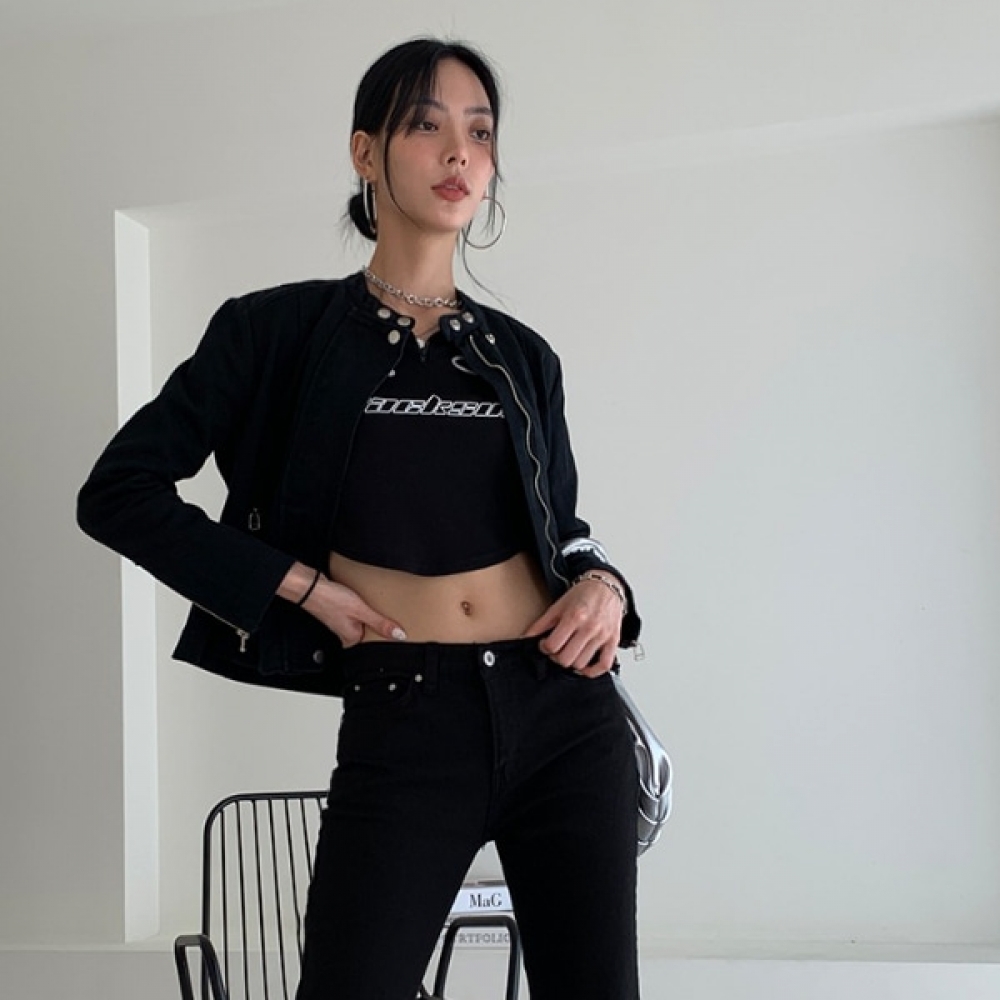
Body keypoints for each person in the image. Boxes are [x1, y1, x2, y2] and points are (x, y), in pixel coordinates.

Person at [78, 37, 643, 1000]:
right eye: (426, 125)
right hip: (407, 709)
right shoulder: (274, 332)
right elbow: (117, 493)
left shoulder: (521, 356)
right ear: (365, 152)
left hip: (565, 712)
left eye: (480, 133)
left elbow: (564, 529)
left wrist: (606, 586)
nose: (459, 153)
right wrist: (296, 586)